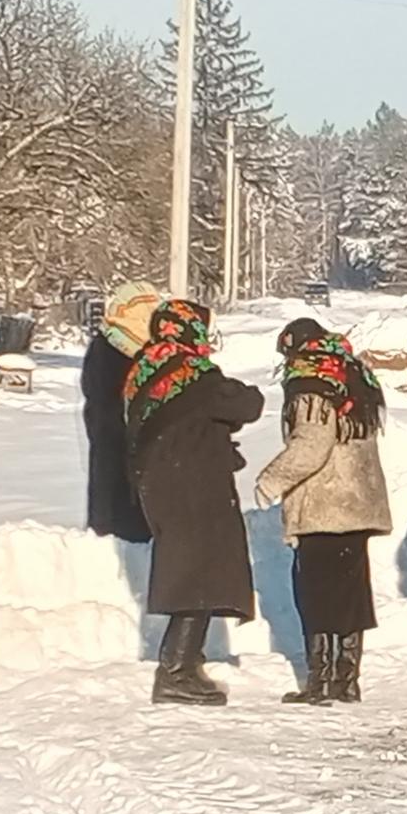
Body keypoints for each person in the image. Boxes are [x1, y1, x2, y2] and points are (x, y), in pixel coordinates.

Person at [123, 299, 266, 706]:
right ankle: (176, 670)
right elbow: (246, 404)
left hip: (157, 485)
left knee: (188, 568)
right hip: (193, 487)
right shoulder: (193, 374)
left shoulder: (143, 369)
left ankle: (186, 661)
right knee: (199, 573)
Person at [256, 319, 391, 706]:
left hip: (324, 504)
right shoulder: (354, 374)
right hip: (358, 502)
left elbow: (312, 445)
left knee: (315, 594)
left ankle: (320, 681)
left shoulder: (311, 383)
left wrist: (270, 480)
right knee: (350, 593)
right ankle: (347, 681)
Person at [83, 280, 161, 542]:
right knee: (125, 523)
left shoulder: (107, 343)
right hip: (124, 453)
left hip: (111, 449)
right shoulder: (129, 354)